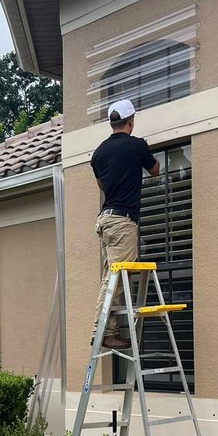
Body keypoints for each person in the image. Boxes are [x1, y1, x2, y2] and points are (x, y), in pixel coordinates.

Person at [90, 99, 160, 349]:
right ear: (131, 122)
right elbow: (155, 170)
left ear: (112, 123)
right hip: (122, 221)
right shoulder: (136, 146)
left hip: (106, 220)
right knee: (115, 279)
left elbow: (101, 185)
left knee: (111, 277)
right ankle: (102, 330)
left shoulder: (98, 153)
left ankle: (107, 330)